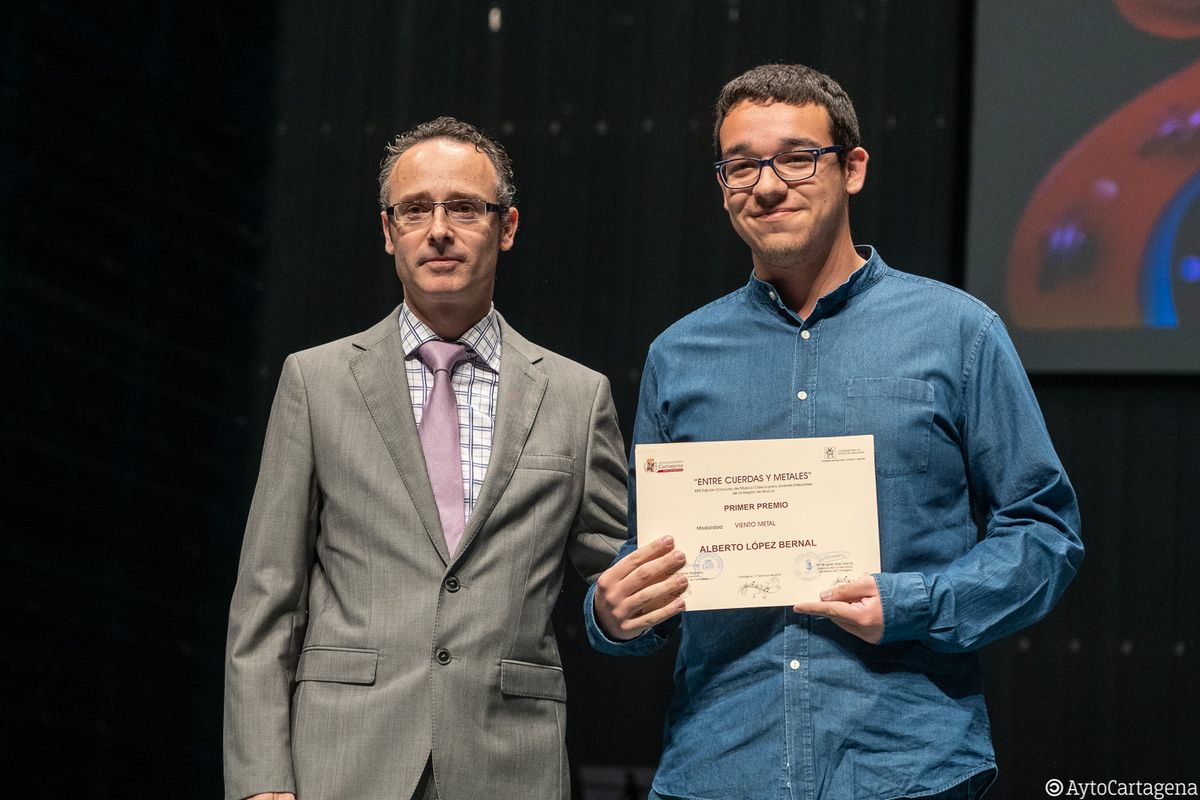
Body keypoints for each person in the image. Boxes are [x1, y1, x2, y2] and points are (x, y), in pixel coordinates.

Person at [586, 64, 1083, 800]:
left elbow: (1044, 534)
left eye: (795, 157)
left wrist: (914, 603)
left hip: (906, 769)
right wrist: (613, 613)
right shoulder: (679, 356)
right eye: (741, 165)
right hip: (721, 769)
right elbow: (649, 562)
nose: (767, 184)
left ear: (852, 168)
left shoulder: (958, 334)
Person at [224, 116, 627, 800]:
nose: (438, 228)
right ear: (388, 232)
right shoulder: (315, 383)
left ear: (507, 227)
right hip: (343, 761)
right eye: (416, 209)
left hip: (509, 765)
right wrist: (262, 780)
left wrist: (651, 598)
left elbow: (618, 575)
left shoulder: (578, 397)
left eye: (464, 207)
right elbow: (267, 601)